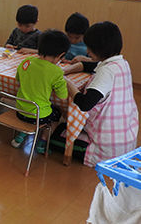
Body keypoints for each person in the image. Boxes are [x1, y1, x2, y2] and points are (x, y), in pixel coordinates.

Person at [64, 21, 138, 167]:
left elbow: (85, 104)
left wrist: (66, 82)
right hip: (126, 139)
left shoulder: (106, 72)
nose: (87, 52)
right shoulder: (121, 63)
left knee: (57, 135)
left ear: (98, 49)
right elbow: (89, 65)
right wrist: (65, 70)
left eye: (89, 48)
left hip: (107, 149)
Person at [11, 30, 70, 153]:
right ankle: (42, 143)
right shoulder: (56, 72)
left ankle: (20, 136)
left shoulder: (26, 62)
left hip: (20, 110)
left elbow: (18, 79)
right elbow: (63, 96)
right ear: (61, 55)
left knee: (32, 109)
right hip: (38, 116)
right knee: (56, 114)